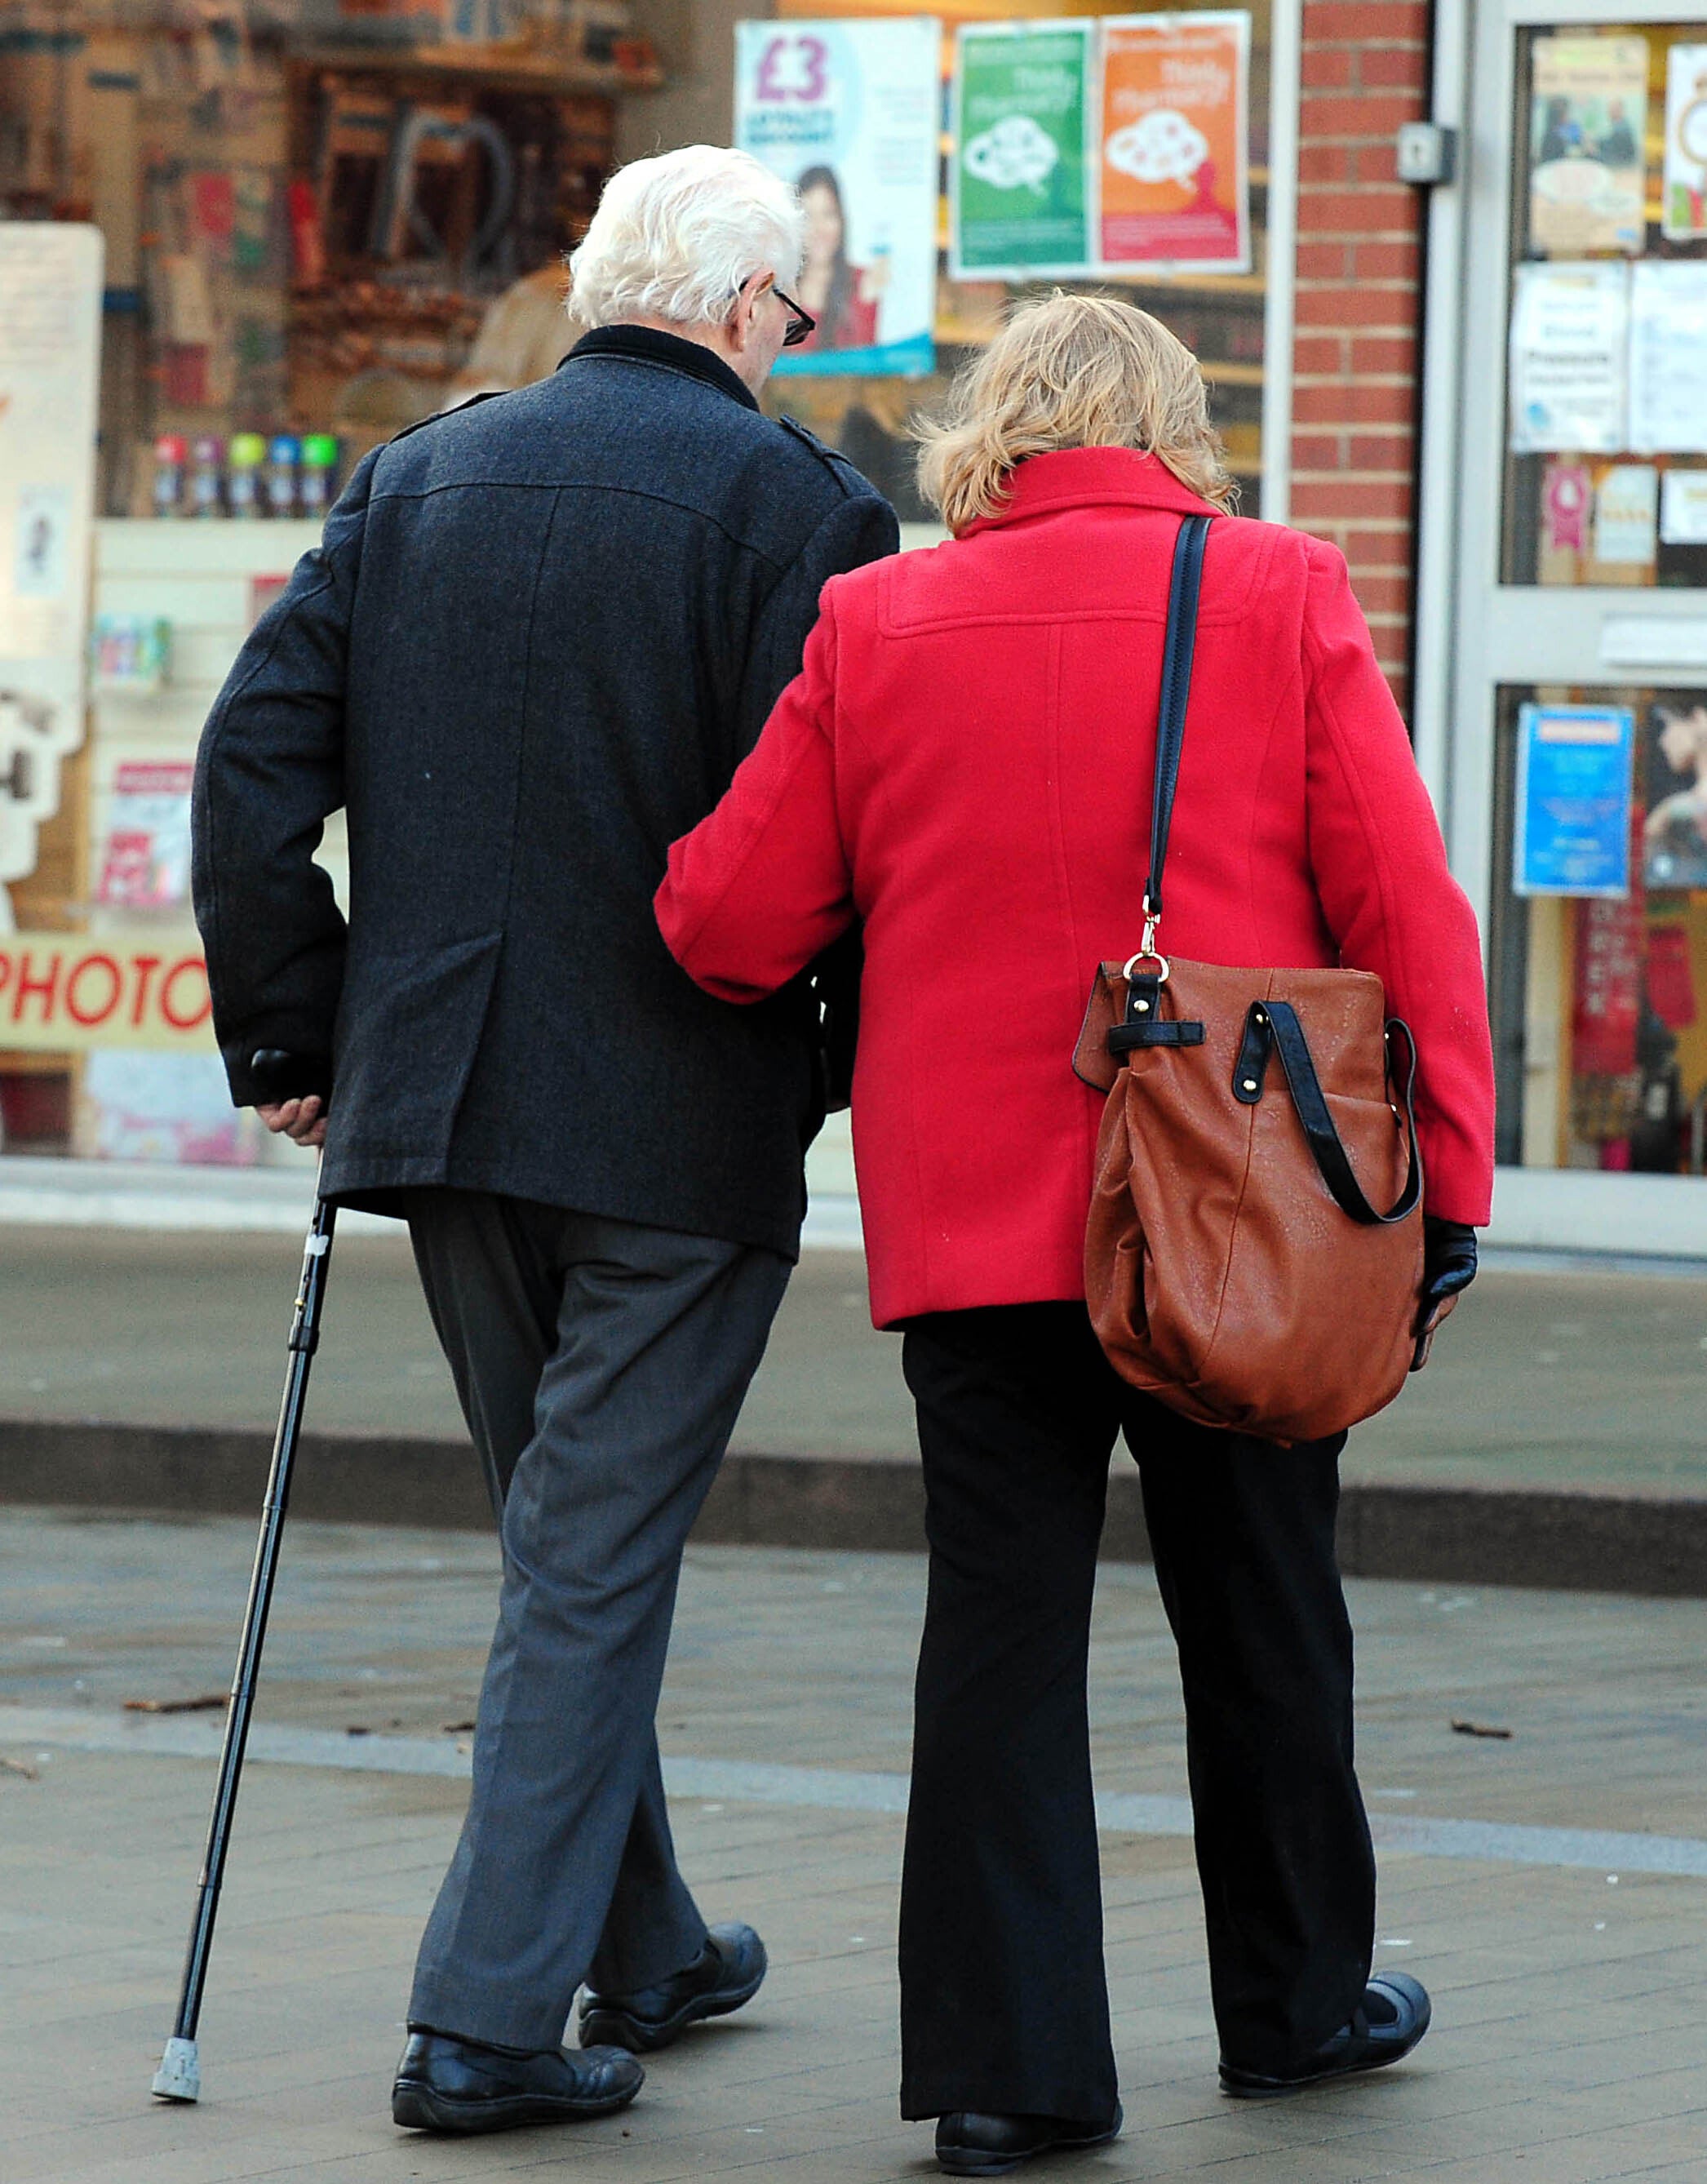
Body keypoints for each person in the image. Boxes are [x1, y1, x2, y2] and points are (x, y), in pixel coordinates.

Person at [656, 294, 1496, 2174]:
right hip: (1240, 1198)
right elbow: (1400, 907)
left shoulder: (873, 621)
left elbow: (726, 920)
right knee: (1267, 1603)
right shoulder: (1271, 590)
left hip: (976, 1215)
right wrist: (1446, 1176)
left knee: (997, 1628)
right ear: (1170, 426)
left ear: (992, 431)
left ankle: (1005, 2072)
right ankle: (1291, 2012)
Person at [191, 143, 897, 2137]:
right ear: (748, 307)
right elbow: (844, 844)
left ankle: (645, 1939)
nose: (794, 339)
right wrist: (828, 1060)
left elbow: (254, 762)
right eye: (793, 309)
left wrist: (291, 1027)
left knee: (562, 1543)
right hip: (673, 1120)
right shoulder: (805, 511)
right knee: (582, 1559)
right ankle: (483, 2022)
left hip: (441, 1107)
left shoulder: (417, 476)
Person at [792, 165, 883, 351]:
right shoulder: (780, 289)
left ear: (841, 219)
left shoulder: (864, 282)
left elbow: (865, 363)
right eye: (808, 217)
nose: (819, 229)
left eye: (828, 214)